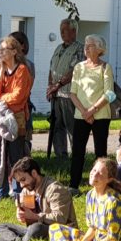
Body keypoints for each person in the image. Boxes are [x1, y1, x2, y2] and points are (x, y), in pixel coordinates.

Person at [49, 157, 121, 241]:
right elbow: (93, 228)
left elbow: (113, 238)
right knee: (55, 228)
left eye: (100, 174)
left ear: (109, 179)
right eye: (94, 170)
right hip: (97, 238)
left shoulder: (113, 202)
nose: (95, 174)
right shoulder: (90, 195)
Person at [0, 35, 35, 200]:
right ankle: (1, 191)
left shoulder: (22, 70)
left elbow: (19, 95)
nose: (0, 52)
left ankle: (18, 191)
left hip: (17, 118)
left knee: (16, 155)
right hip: (1, 118)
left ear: (14, 51)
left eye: (4, 49)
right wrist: (0, 79)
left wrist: (1, 99)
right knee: (0, 154)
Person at [0, 157, 77, 241]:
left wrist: (35, 216)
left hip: (62, 232)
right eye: (19, 181)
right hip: (36, 228)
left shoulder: (55, 189)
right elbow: (28, 217)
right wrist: (21, 213)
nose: (22, 185)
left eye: (23, 179)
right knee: (1, 226)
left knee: (36, 228)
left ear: (34, 173)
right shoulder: (27, 189)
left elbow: (61, 218)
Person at [69, 34, 115, 192]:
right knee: (77, 151)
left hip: (100, 116)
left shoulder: (105, 67)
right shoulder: (78, 67)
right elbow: (72, 93)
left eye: (90, 45)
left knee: (100, 153)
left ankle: (102, 186)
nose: (86, 48)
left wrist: (92, 110)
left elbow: (110, 94)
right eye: (85, 45)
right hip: (81, 116)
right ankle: (73, 185)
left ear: (99, 49)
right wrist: (84, 112)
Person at [46, 19, 84, 159]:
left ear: (74, 31)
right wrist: (50, 86)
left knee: (72, 127)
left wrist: (58, 84)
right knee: (57, 127)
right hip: (56, 94)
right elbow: (52, 68)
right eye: (61, 30)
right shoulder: (58, 48)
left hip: (70, 94)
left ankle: (77, 156)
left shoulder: (80, 48)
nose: (62, 33)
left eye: (65, 30)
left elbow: (75, 70)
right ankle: (60, 156)